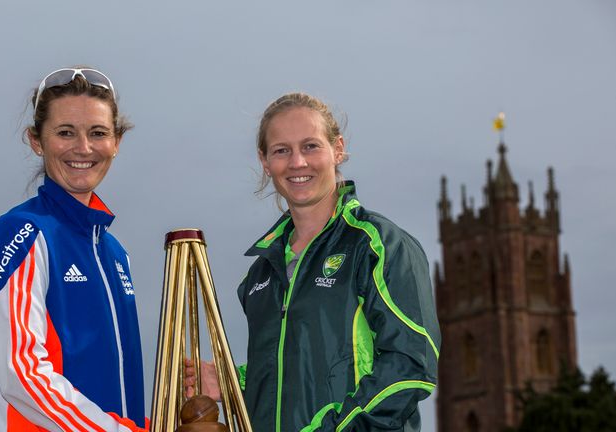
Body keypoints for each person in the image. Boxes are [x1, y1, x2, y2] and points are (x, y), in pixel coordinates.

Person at [186, 93, 440, 431]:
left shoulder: (378, 244)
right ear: (265, 161)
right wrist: (233, 383)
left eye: (310, 146)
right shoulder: (261, 272)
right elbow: (297, 377)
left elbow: (411, 366)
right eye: (281, 151)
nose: (297, 163)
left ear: (337, 149)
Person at [0, 67, 148, 432]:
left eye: (98, 133)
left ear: (116, 142)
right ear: (36, 140)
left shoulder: (115, 252)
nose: (83, 148)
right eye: (65, 132)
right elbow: (22, 374)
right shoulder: (22, 232)